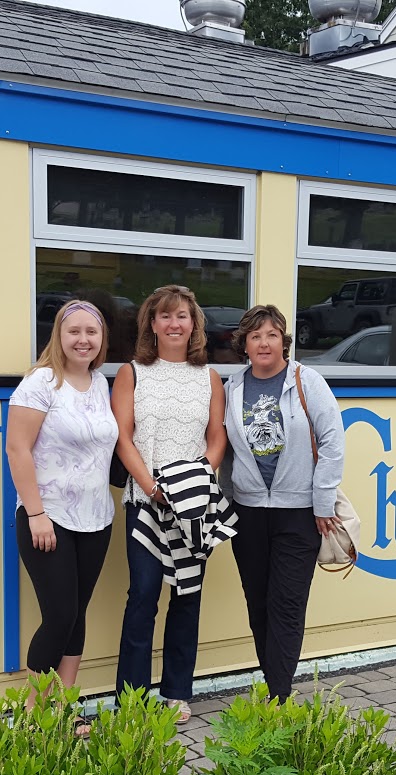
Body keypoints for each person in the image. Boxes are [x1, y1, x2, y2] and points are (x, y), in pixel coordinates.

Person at [112, 285, 228, 723]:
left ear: (194, 324)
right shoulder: (132, 373)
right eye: (165, 316)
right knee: (143, 594)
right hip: (146, 501)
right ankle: (133, 699)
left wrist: (194, 481)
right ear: (152, 324)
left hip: (194, 506)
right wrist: (153, 486)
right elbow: (123, 437)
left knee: (186, 595)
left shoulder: (210, 377)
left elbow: (216, 437)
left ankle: (177, 692)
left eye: (182, 316)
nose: (174, 324)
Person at [5, 299, 119, 728]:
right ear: (59, 335)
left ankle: (63, 707)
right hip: (48, 518)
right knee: (58, 617)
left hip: (96, 518)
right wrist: (36, 514)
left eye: (92, 332)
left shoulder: (100, 382)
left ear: (102, 338)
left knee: (76, 615)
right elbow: (17, 449)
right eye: (74, 331)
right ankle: (34, 716)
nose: (83, 340)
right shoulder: (40, 382)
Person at [222, 305, 345, 700]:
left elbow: (332, 442)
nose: (264, 343)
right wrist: (225, 502)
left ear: (284, 341)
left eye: (272, 335)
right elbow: (226, 451)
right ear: (244, 344)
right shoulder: (232, 388)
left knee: (287, 604)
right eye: (256, 336)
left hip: (300, 513)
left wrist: (322, 502)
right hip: (248, 513)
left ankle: (279, 696)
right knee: (258, 604)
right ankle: (274, 685)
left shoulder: (307, 381)